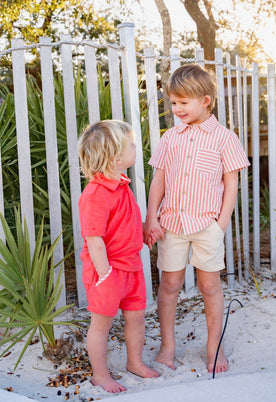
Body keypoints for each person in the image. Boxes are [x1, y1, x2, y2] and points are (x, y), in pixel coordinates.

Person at [143, 64, 250, 374]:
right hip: (172, 224)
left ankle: (214, 349)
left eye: (183, 102)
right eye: (173, 103)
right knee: (170, 285)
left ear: (205, 100)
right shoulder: (170, 138)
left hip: (207, 226)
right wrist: (152, 217)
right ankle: (167, 347)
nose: (177, 109)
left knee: (209, 287)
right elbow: (159, 181)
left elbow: (231, 184)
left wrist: (221, 225)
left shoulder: (225, 138)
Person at [77, 120, 159, 393]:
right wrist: (104, 274)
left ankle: (134, 362)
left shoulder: (121, 184)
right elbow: (93, 238)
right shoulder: (95, 194)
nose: (136, 148)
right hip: (109, 271)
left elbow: (127, 221)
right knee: (101, 325)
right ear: (115, 158)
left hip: (132, 267)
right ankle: (100, 375)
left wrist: (142, 235)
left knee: (136, 318)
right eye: (131, 145)